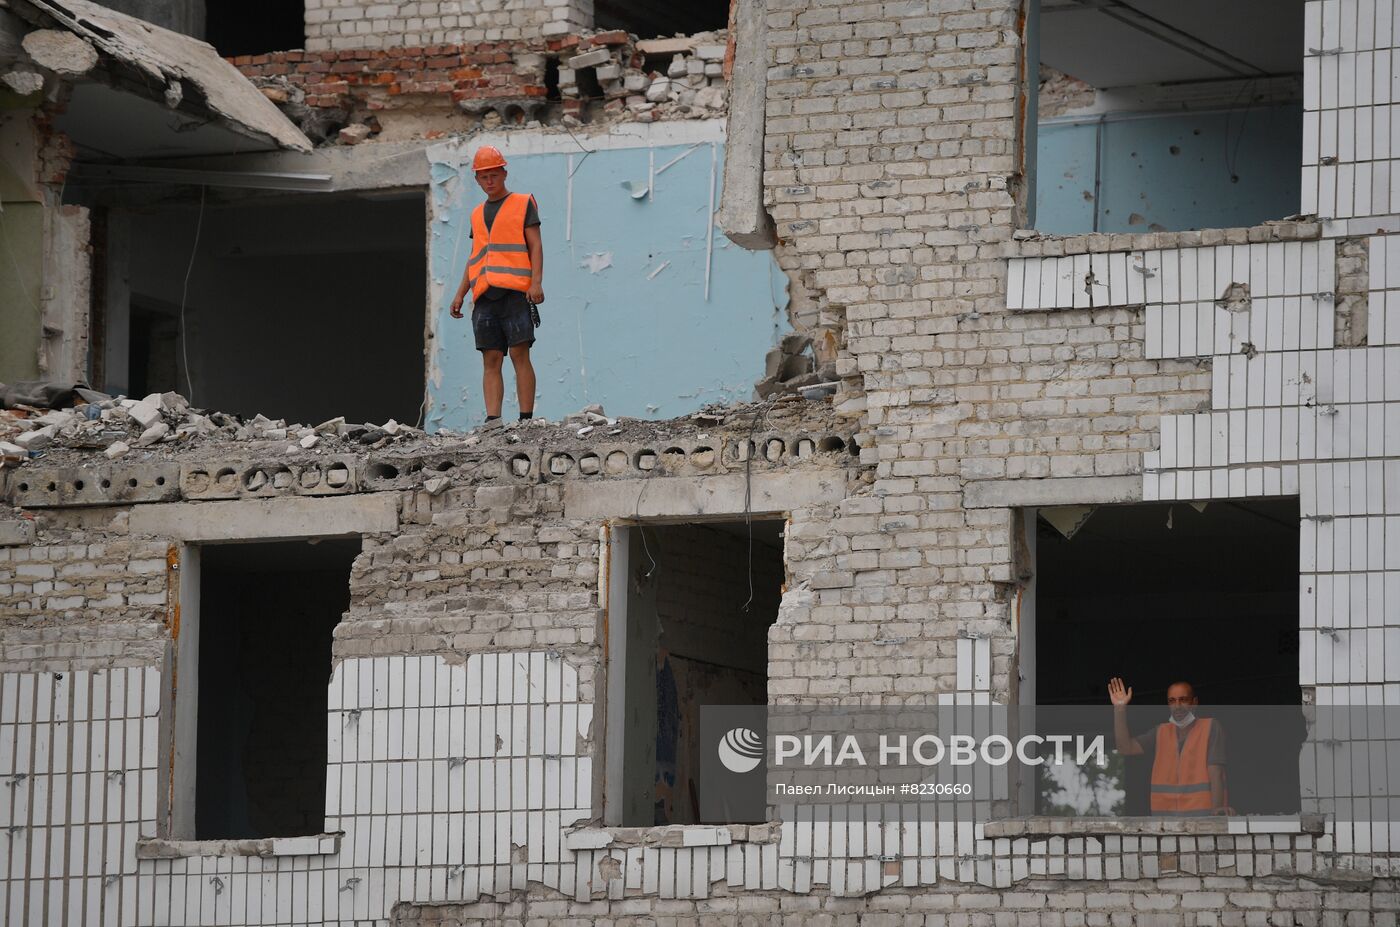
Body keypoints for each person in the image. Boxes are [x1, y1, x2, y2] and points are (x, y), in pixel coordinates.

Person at [449, 145, 544, 424]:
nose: (489, 181)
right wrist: (460, 293)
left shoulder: (523, 203)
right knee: (490, 358)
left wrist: (536, 282)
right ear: (477, 180)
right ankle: (493, 421)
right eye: (484, 177)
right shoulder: (477, 214)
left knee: (519, 353)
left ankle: (525, 419)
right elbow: (475, 256)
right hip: (484, 295)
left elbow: (536, 245)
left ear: (504, 174)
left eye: (494, 175)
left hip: (515, 292)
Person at [1108, 677, 1231, 816]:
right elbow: (1126, 748)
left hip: (1202, 821)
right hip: (1165, 823)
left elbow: (1216, 774)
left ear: (1194, 702)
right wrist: (1119, 709)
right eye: (1172, 701)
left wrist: (1216, 815)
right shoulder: (1160, 732)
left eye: (1183, 700)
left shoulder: (1210, 727)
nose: (1177, 706)